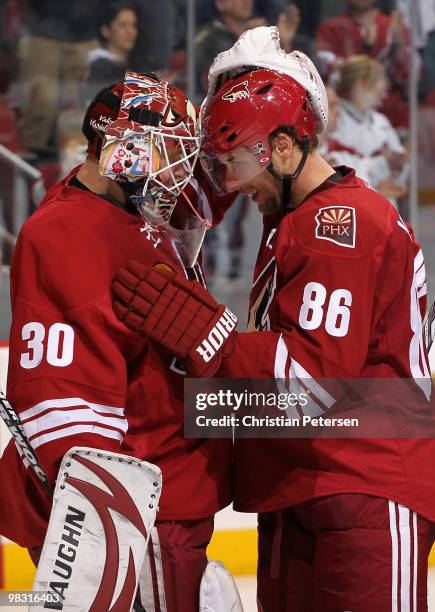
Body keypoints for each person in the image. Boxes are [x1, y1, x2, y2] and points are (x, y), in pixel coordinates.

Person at [112, 27, 435, 611]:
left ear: (285, 147)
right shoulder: (298, 219)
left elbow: (313, 381)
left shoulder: (342, 221)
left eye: (237, 161)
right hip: (308, 485)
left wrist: (210, 339)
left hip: (366, 487)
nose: (232, 181)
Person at [0, 71, 237, 611]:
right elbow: (63, 402)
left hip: (172, 493)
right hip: (140, 510)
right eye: (165, 152)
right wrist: (101, 540)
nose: (178, 171)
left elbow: (217, 184)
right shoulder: (64, 235)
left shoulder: (134, 207)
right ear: (120, 150)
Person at [325, 56, 408, 206]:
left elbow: (398, 178)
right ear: (360, 84)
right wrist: (376, 189)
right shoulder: (334, 120)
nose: (384, 89)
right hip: (354, 208)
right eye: (379, 81)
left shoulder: (381, 121)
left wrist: (398, 166)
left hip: (384, 207)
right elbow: (339, 171)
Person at [316, 0, 411, 130]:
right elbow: (336, 79)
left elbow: (409, 78)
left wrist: (398, 47)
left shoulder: (392, 26)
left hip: (392, 119)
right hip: (346, 120)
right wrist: (367, 50)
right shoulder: (331, 28)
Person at [84, 1, 139, 103]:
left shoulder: (131, 66)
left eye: (134, 25)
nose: (130, 31)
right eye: (123, 25)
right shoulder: (98, 69)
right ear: (106, 31)